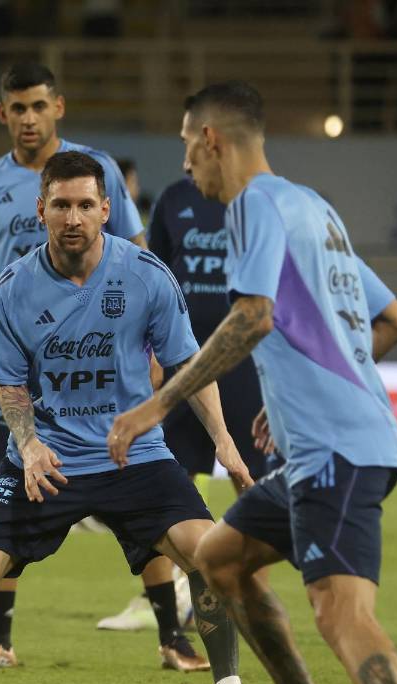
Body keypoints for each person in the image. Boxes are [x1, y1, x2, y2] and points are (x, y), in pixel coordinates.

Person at [107, 82, 397, 684]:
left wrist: (160, 400)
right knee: (218, 559)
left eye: (186, 144)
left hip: (336, 449)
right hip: (324, 443)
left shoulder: (252, 206)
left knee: (341, 612)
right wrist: (305, 389)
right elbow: (393, 319)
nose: (186, 163)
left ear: (212, 137)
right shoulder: (316, 209)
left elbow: (252, 317)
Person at [0, 151, 282, 684]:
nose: (74, 217)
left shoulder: (145, 274)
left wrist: (223, 441)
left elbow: (187, 366)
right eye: (61, 205)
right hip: (48, 460)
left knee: (212, 557)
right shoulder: (15, 287)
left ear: (106, 210)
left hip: (135, 457)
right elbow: (10, 387)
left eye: (86, 205)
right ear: (41, 210)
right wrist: (31, 444)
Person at [0, 62, 198, 671]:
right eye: (16, 108)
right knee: (12, 475)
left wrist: (147, 350)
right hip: (21, 363)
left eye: (37, 106)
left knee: (138, 484)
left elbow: (137, 255)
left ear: (57, 108)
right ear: (2, 115)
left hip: (101, 363)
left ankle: (172, 636)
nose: (27, 118)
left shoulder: (91, 172)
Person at [96, 174, 265, 632]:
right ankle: (162, 597)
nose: (185, 156)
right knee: (170, 477)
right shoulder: (174, 198)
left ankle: (253, 598)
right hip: (181, 359)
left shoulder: (261, 201)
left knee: (250, 479)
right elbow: (152, 274)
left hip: (247, 361)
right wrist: (150, 351)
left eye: (189, 141)